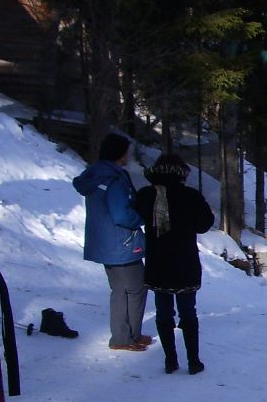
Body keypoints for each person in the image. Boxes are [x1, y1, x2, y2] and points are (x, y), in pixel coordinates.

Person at [134, 153, 215, 374]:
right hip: (185, 262)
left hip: (158, 263)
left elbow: (134, 215)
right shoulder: (190, 196)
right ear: (181, 174)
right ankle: (194, 361)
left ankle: (170, 360)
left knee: (163, 312)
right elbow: (204, 224)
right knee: (188, 312)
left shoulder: (146, 195)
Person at [72, 133, 150, 351]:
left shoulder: (96, 174)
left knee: (120, 288)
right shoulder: (114, 179)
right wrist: (140, 218)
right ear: (120, 153)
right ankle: (124, 337)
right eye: (126, 151)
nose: (128, 156)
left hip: (106, 241)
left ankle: (127, 335)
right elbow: (121, 214)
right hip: (121, 242)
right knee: (135, 288)